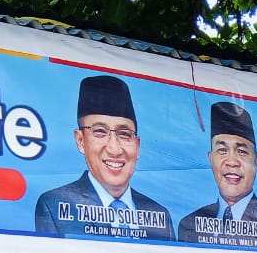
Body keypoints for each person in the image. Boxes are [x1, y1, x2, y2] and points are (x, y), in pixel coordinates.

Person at [35, 74, 176, 241]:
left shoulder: (159, 215)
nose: (114, 149)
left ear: (137, 146)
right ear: (80, 141)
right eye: (100, 132)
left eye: (124, 134)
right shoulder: (55, 205)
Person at [177, 102, 257, 249]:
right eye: (222, 150)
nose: (231, 162)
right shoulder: (189, 224)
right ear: (211, 159)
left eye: (241, 151)